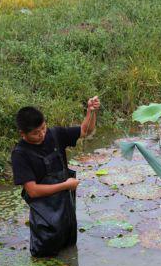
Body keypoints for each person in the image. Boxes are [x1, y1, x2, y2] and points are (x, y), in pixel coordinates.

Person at [11, 97, 100, 257]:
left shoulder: (55, 134)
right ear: (23, 133)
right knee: (45, 262)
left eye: (43, 128)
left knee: (70, 257)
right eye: (35, 133)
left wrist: (90, 111)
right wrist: (66, 185)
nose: (42, 134)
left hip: (67, 215)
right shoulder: (20, 154)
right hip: (45, 222)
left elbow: (85, 131)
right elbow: (33, 191)